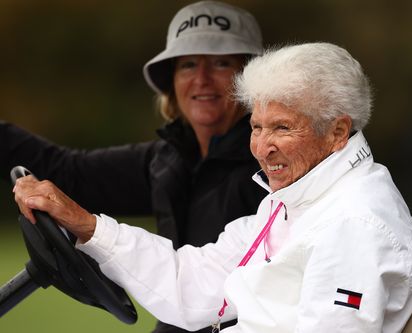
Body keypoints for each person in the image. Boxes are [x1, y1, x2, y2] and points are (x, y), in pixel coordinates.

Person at [13, 42, 412, 333]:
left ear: (337, 131)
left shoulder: (353, 224)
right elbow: (192, 284)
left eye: (282, 128)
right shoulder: (299, 202)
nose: (262, 147)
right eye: (256, 127)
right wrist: (87, 226)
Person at [1, 1, 267, 332]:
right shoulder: (165, 160)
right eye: (187, 65)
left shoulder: (275, 168)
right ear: (171, 80)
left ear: (252, 79)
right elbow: (69, 172)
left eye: (221, 63)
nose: (202, 79)